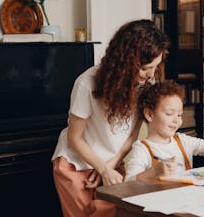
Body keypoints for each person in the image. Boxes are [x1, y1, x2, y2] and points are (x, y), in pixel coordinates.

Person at [51, 19, 171, 217]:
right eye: (145, 68)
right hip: (76, 165)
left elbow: (133, 133)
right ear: (125, 61)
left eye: (154, 67)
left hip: (112, 163)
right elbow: (74, 138)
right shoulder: (86, 84)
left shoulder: (146, 84)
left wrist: (108, 166)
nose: (150, 75)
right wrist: (102, 168)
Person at [124, 80, 204, 182]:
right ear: (149, 115)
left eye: (179, 115)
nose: (176, 120)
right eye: (169, 114)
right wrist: (153, 172)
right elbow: (129, 182)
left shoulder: (183, 141)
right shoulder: (142, 149)